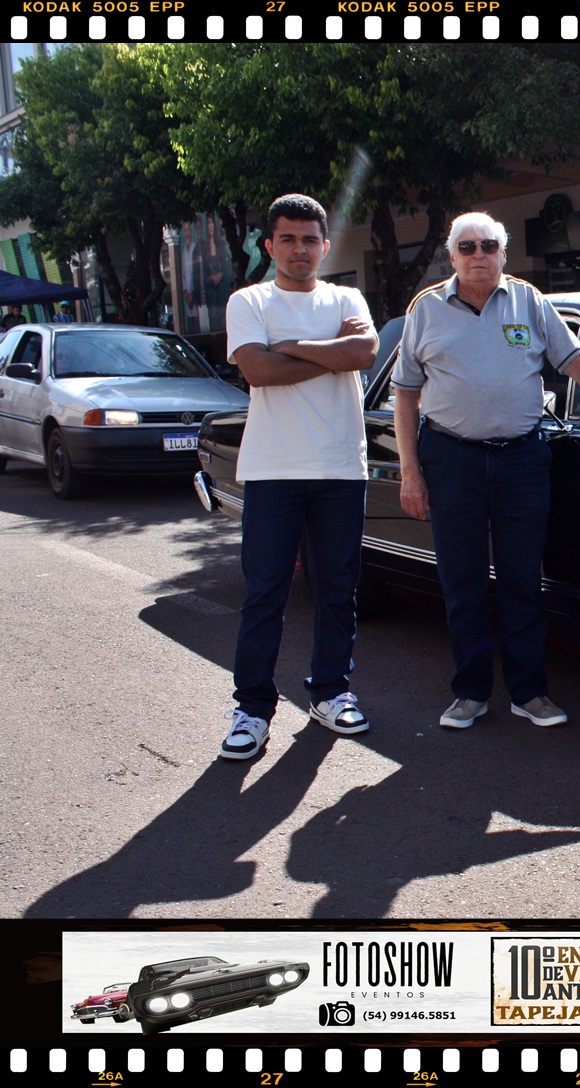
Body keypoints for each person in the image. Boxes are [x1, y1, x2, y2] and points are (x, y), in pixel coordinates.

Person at [393, 211, 580, 730]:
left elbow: (576, 361)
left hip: (520, 459)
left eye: (488, 246)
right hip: (451, 459)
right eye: (467, 247)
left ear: (504, 253)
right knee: (463, 582)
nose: (479, 255)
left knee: (523, 580)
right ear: (451, 257)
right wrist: (411, 472)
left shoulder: (529, 301)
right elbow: (406, 395)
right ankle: (470, 693)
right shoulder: (425, 310)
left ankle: (529, 692)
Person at [219, 193, 378, 760]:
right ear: (269, 245)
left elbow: (365, 351)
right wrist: (329, 353)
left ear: (325, 245)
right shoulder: (249, 300)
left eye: (310, 239)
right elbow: (258, 370)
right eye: (287, 239)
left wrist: (291, 347)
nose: (299, 249)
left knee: (338, 589)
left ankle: (331, 693)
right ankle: (252, 709)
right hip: (274, 469)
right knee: (265, 593)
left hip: (340, 466)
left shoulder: (346, 297)